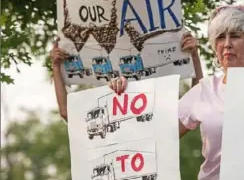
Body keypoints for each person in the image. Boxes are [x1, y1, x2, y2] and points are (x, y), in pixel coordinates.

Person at [108, 5, 244, 180]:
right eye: (220, 37)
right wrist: (125, 95)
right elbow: (154, 134)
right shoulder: (205, 90)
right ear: (215, 48)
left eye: (235, 36)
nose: (227, 44)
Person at [50, 32, 203, 121]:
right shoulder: (107, 119)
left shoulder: (159, 119)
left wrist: (194, 57)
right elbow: (66, 112)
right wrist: (56, 67)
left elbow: (194, 106)